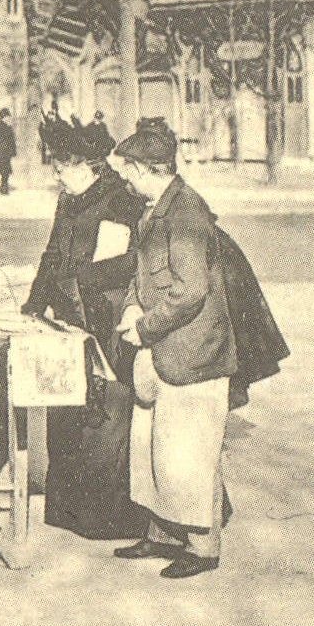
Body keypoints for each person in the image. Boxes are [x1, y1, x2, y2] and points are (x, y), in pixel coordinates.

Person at [112, 118, 237, 579]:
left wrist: (144, 328)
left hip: (194, 354)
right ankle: (163, 535)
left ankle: (203, 550)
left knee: (191, 453)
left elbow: (190, 291)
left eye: (128, 170)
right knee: (154, 448)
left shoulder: (185, 212)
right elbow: (140, 274)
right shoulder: (155, 208)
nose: (124, 179)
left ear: (147, 169)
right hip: (166, 349)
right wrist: (130, 308)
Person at [22, 115, 147, 539]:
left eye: (62, 167)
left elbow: (130, 263)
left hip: (107, 321)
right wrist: (35, 303)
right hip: (71, 318)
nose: (56, 174)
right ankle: (69, 510)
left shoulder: (118, 199)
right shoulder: (69, 199)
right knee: (66, 407)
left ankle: (107, 516)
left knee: (105, 412)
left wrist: (78, 283)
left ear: (89, 165)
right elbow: (53, 252)